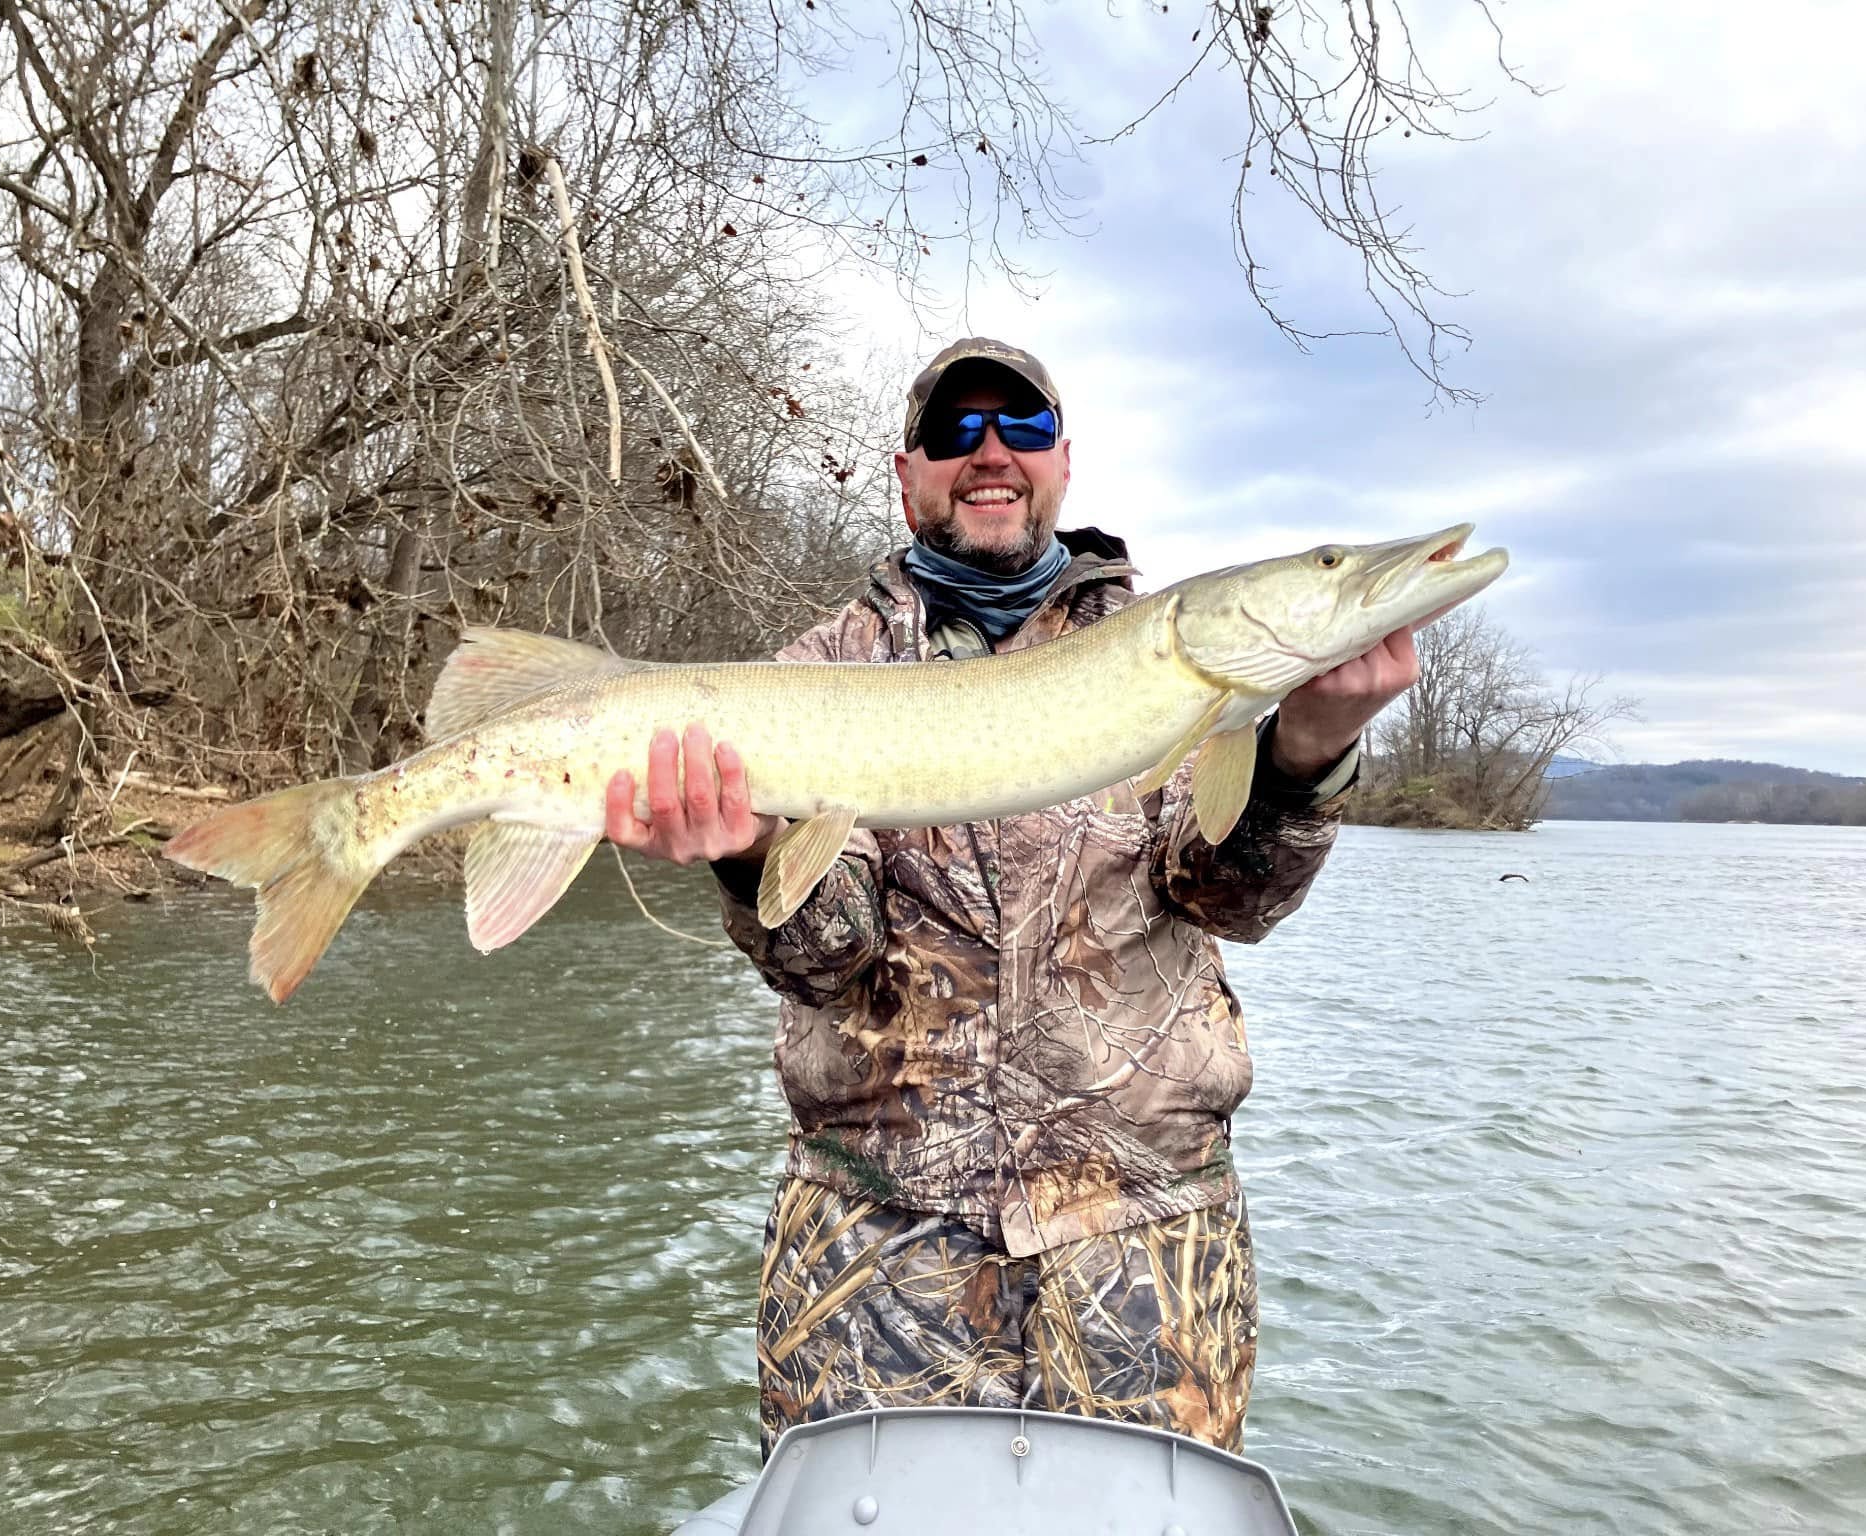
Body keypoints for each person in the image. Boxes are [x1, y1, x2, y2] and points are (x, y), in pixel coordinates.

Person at [602, 338, 1415, 1455]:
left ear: (1063, 462)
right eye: (955, 432)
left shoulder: (1165, 658)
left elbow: (1231, 900)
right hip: (874, 1249)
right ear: (908, 475)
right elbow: (829, 960)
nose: (991, 453)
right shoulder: (821, 667)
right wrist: (748, 854)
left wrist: (1302, 755)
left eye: (1021, 428)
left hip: (1147, 1245)